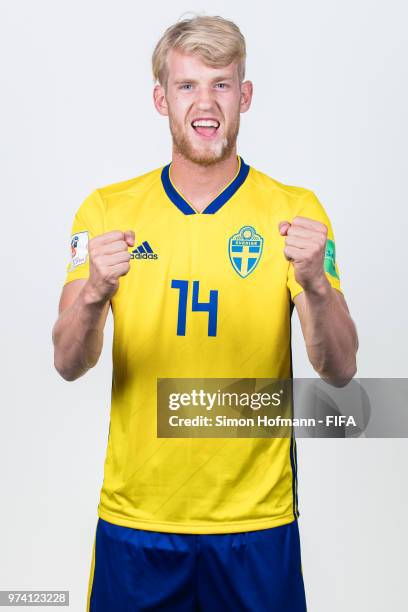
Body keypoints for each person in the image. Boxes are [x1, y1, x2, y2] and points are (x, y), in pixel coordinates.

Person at [52, 14, 358, 612]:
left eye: (221, 84)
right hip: (137, 519)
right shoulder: (106, 210)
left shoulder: (294, 211)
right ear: (161, 98)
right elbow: (68, 361)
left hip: (257, 523)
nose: (206, 102)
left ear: (244, 96)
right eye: (188, 85)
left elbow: (342, 370)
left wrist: (317, 285)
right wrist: (92, 293)